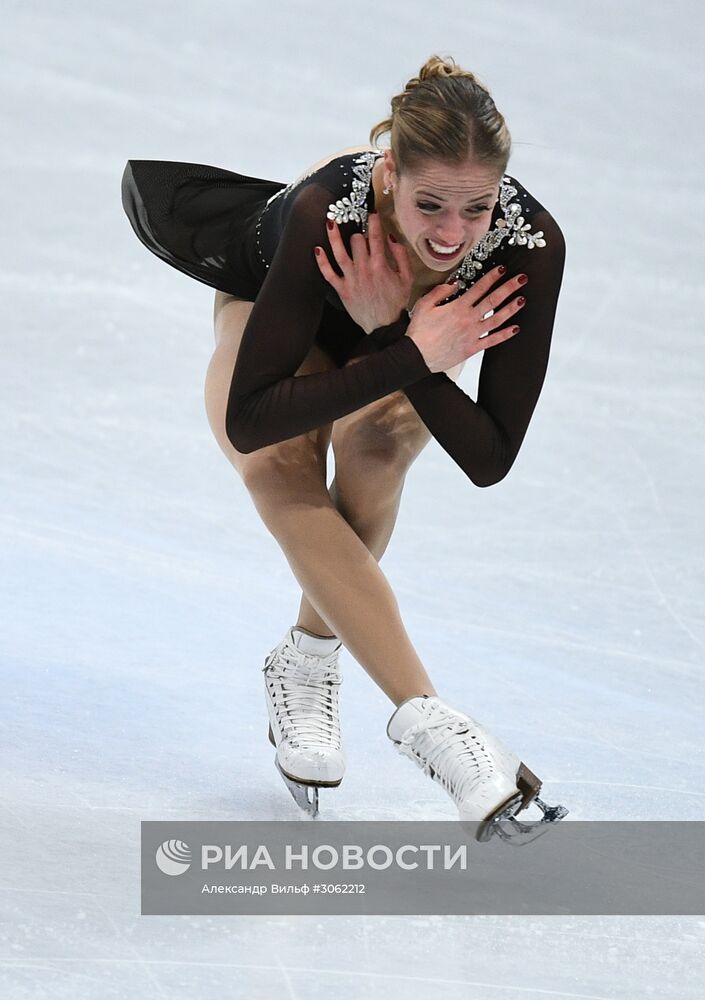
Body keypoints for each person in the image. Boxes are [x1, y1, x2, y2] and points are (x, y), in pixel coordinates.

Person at [121, 54, 567, 830]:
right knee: (277, 468)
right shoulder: (328, 210)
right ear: (390, 174)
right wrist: (407, 348)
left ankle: (306, 659)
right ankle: (437, 731)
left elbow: (490, 457)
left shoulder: (527, 245)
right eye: (430, 205)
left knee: (380, 448)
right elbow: (249, 417)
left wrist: (400, 338)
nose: (452, 235)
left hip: (401, 338)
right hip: (278, 309)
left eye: (475, 208)